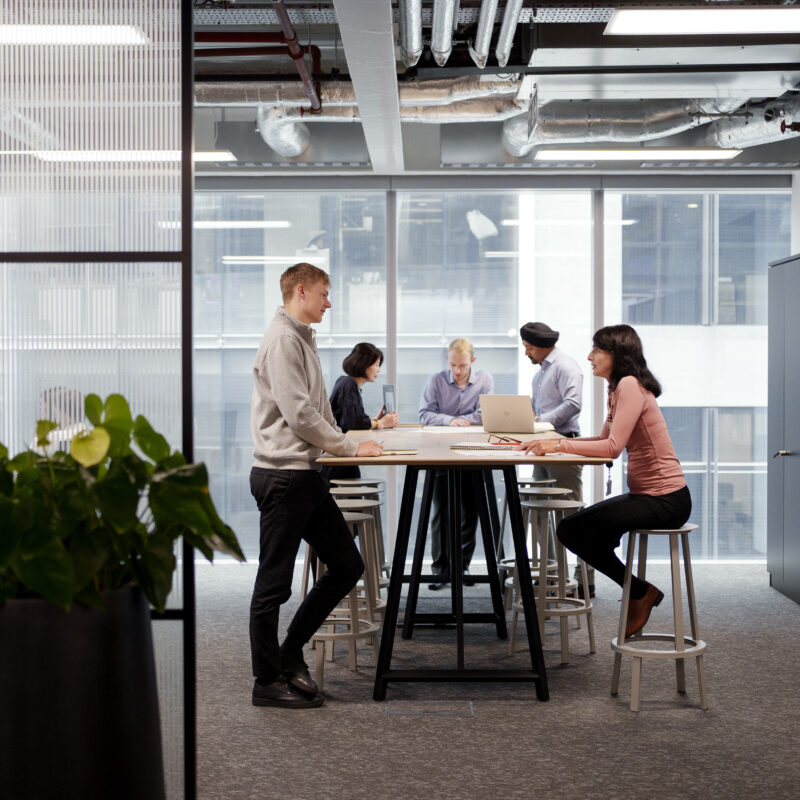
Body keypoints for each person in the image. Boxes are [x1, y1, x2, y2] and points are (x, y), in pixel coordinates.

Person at [249, 262, 384, 708]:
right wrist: (348, 448)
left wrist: (344, 443)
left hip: (305, 475)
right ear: (301, 291)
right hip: (283, 475)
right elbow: (299, 415)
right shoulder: (284, 340)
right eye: (325, 293)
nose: (330, 302)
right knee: (274, 585)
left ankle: (289, 655)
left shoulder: (303, 338)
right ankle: (266, 681)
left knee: (347, 566)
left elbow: (319, 408)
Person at [518, 324, 692, 639]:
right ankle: (639, 590)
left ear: (617, 354)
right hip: (648, 496)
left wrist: (558, 445)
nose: (589, 357)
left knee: (571, 530)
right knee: (574, 530)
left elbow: (611, 448)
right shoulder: (617, 388)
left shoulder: (629, 384)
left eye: (596, 350)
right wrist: (552, 442)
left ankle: (640, 592)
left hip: (667, 500)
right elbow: (601, 441)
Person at [519, 321, 592, 594]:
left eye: (528, 348)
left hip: (563, 445)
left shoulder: (565, 366)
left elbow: (574, 404)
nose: (526, 353)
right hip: (543, 447)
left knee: (571, 515)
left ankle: (585, 579)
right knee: (538, 510)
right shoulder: (540, 374)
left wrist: (543, 423)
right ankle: (553, 575)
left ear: (539, 347)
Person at [418, 337, 494, 590]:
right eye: (453, 365)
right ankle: (441, 569)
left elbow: (487, 414)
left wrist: (463, 420)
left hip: (474, 453)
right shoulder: (436, 380)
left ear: (472, 361)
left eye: (462, 365)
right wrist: (449, 420)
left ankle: (462, 566)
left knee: (470, 510)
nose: (457, 371)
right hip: (441, 451)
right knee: (442, 510)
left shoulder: (484, 380)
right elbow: (424, 414)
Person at [321, 342, 400, 481]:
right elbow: (353, 423)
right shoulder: (348, 384)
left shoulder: (347, 383)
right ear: (364, 364)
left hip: (341, 455)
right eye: (376, 365)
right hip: (338, 462)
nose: (379, 370)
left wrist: (376, 420)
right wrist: (379, 423)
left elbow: (352, 418)